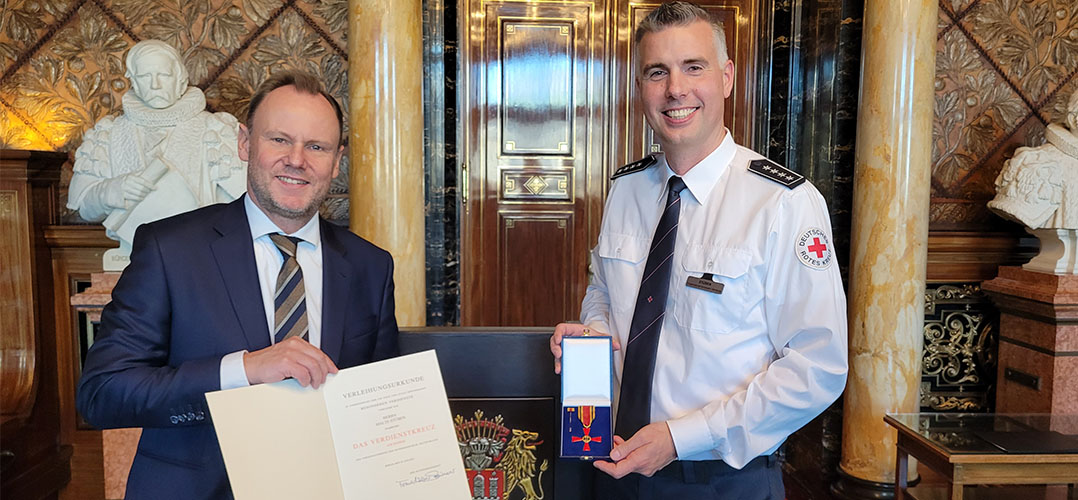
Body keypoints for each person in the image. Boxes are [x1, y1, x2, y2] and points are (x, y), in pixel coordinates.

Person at [549, 2, 847, 498]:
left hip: (720, 479)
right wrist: (591, 334)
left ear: (727, 77)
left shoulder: (784, 204)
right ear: (640, 86)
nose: (675, 89)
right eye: (657, 72)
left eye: (694, 67)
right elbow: (603, 291)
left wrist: (679, 437)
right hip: (609, 464)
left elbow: (818, 367)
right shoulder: (626, 189)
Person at [76, 70, 399, 499]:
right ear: (245, 143)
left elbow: (378, 405)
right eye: (279, 139)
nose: (297, 159)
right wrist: (243, 369)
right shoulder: (169, 249)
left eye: (316, 146)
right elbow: (104, 393)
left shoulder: (369, 266)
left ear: (337, 160)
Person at [68, 40, 246, 268]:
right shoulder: (108, 133)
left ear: (181, 80)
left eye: (164, 75)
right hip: (133, 260)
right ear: (132, 81)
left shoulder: (216, 130)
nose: (155, 85)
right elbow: (84, 206)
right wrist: (116, 189)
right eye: (145, 76)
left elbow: (243, 203)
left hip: (202, 261)